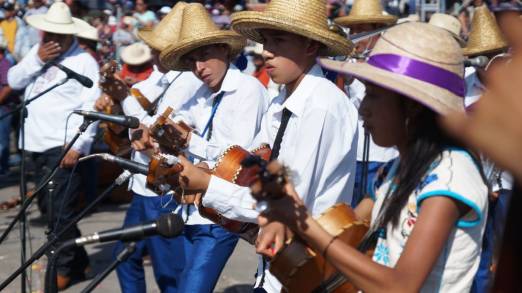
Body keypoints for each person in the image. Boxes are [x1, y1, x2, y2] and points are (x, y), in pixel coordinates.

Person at [256, 22, 488, 292]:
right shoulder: (398, 170)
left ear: (412, 106)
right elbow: (350, 228)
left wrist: (304, 224)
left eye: (374, 96)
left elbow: (401, 286)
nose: (363, 108)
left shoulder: (450, 178)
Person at [161, 0, 358, 291]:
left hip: (307, 269)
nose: (266, 51)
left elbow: (291, 203)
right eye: (266, 41)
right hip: (278, 266)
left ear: (311, 47)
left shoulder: (321, 106)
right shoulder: (282, 100)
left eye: (279, 41)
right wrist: (210, 172)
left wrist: (208, 185)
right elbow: (254, 169)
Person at [157, 3, 269, 292]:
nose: (198, 68)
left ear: (224, 50)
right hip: (191, 207)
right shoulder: (201, 92)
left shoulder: (248, 89)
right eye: (193, 60)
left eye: (205, 56)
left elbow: (236, 158)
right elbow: (183, 123)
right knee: (177, 282)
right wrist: (169, 134)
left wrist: (189, 141)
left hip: (221, 208)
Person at [95, 3, 202, 292]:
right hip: (144, 185)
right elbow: (140, 119)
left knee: (168, 270)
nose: (153, 54)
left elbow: (152, 129)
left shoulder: (188, 82)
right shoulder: (163, 77)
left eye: (159, 49)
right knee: (124, 256)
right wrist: (120, 94)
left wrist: (122, 96)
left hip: (161, 189)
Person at [7, 2, 100, 289]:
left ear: (70, 35)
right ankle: (80, 261)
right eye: (48, 33)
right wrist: (36, 58)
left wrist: (78, 144)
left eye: (58, 34)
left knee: (60, 214)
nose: (52, 39)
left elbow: (91, 106)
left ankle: (62, 268)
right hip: (33, 145)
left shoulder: (84, 62)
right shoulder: (37, 54)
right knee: (52, 211)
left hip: (61, 146)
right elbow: (13, 79)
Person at [459, 5, 512, 292]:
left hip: (507, 185)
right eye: (484, 57)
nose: (491, 62)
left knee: (504, 255)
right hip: (474, 182)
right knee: (476, 251)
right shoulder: (464, 86)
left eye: (495, 55)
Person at [334, 0, 399, 207]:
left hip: (381, 154)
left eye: (360, 29)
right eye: (352, 29)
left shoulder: (392, 59)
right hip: (353, 152)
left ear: (377, 32)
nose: (354, 35)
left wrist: (359, 73)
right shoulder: (350, 60)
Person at [0, 40, 12, 176]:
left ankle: (3, 169)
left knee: (2, 142)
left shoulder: (4, 64)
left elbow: (8, 86)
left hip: (3, 107)